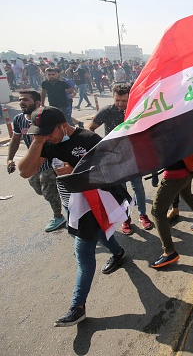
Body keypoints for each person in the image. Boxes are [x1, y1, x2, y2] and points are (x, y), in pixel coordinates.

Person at [18, 106, 129, 327]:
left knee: (82, 253)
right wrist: (39, 142)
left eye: (49, 133)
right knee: (99, 236)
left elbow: (114, 170)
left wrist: (76, 173)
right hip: (72, 204)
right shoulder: (47, 142)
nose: (48, 137)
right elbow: (25, 171)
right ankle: (118, 252)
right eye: (42, 134)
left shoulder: (88, 138)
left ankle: (77, 307)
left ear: (63, 125)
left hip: (95, 203)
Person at [87, 84, 153, 233]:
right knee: (121, 190)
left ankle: (143, 215)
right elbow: (89, 129)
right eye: (118, 100)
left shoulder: (136, 110)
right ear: (113, 97)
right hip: (115, 158)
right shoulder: (107, 111)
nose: (121, 104)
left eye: (124, 100)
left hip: (134, 156)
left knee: (138, 188)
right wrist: (101, 145)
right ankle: (125, 219)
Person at [6, 91, 65, 232]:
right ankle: (61, 198)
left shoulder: (46, 118)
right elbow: (15, 140)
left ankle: (58, 216)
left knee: (49, 191)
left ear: (37, 103)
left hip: (50, 162)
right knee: (37, 186)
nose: (21, 102)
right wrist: (10, 159)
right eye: (20, 100)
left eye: (26, 100)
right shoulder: (19, 120)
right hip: (34, 162)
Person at [150, 159, 193, 268]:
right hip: (187, 172)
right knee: (187, 195)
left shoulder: (161, 141)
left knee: (157, 212)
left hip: (173, 176)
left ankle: (169, 252)